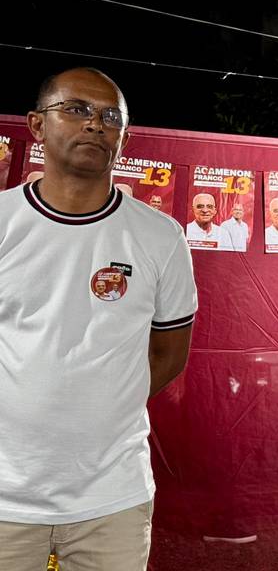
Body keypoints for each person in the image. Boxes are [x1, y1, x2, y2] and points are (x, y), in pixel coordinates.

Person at [0, 67, 197, 571]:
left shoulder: (162, 237)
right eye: (77, 109)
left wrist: (101, 403)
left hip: (113, 496)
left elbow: (169, 354)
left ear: (124, 140)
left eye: (111, 117)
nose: (95, 124)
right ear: (35, 125)